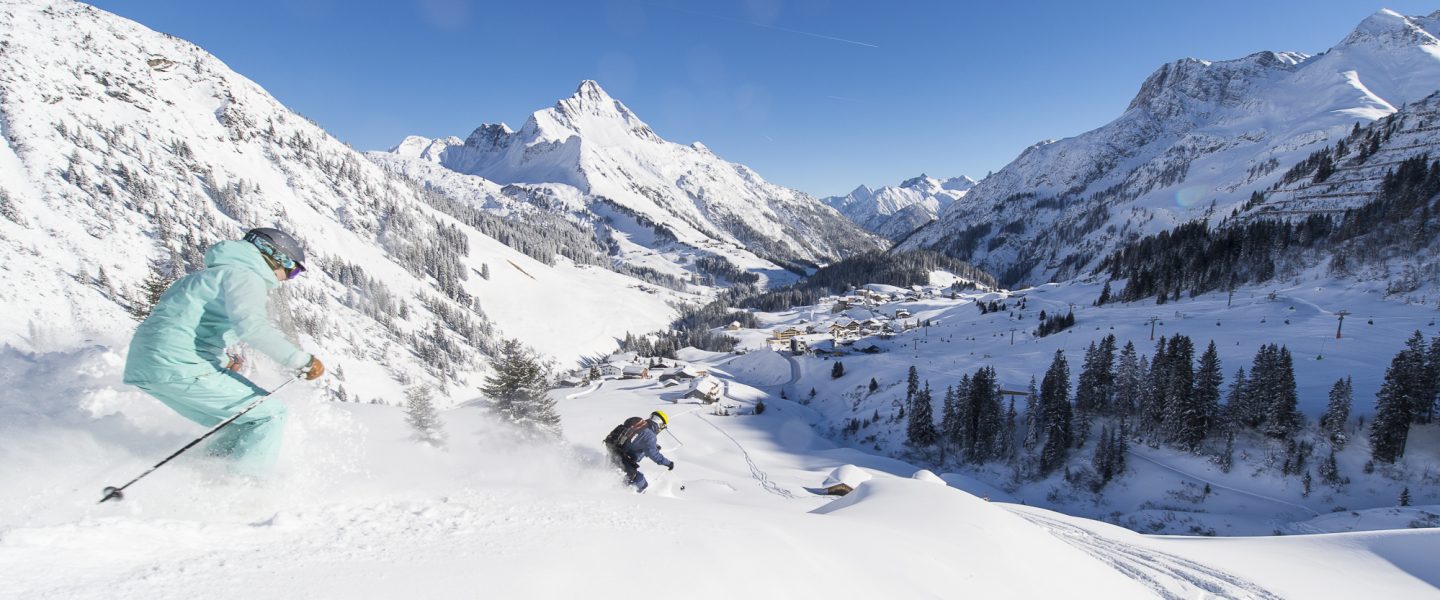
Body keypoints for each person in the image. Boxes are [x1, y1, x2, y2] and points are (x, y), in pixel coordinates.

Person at [123, 227, 324, 476]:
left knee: (239, 422)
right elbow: (252, 328)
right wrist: (301, 361)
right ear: (276, 257)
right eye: (293, 271)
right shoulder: (245, 276)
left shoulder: (202, 277)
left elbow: (180, 325)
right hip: (179, 365)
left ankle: (205, 479)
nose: (287, 279)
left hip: (145, 366)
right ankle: (245, 489)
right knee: (270, 416)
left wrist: (221, 360)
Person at [604, 410, 674, 493]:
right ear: (660, 424)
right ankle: (624, 498)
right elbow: (654, 455)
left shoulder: (639, 426)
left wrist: (654, 446)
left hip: (612, 455)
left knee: (616, 481)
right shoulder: (650, 436)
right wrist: (668, 463)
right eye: (662, 427)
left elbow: (635, 441)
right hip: (623, 462)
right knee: (642, 484)